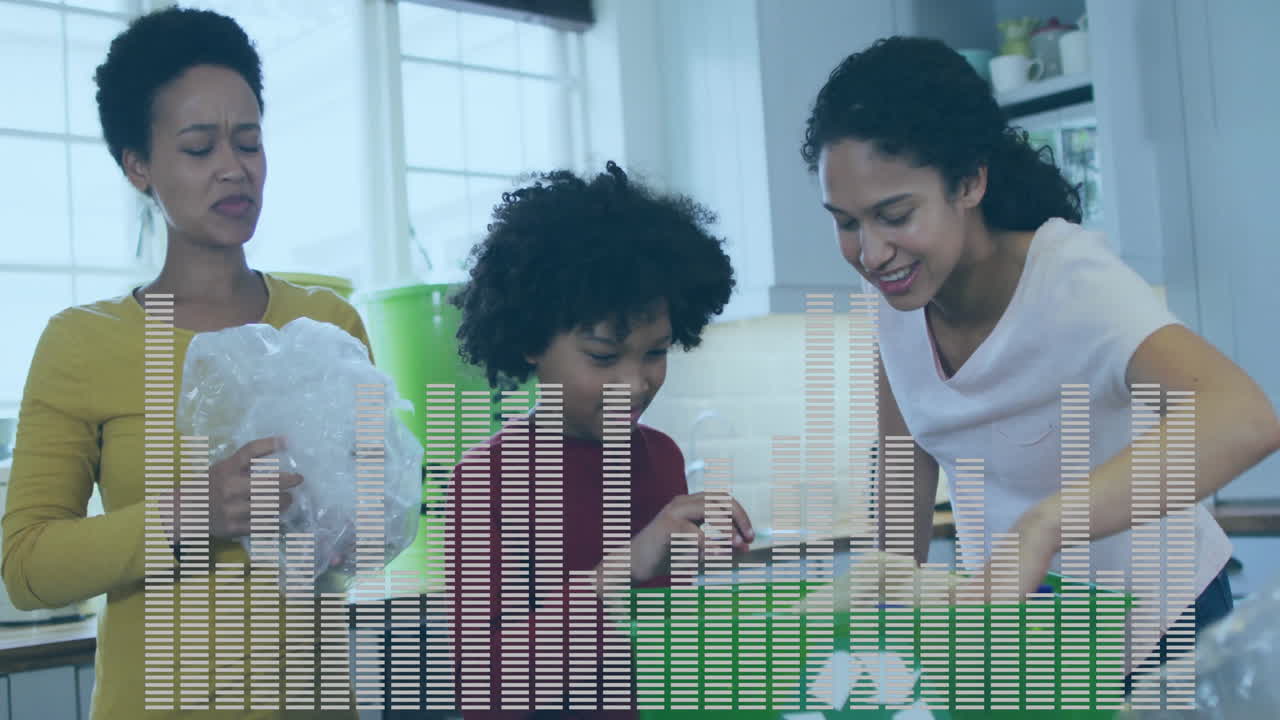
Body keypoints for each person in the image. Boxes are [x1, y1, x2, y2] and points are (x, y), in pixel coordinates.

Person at [801, 36, 1280, 691]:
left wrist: (1044, 527)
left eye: (895, 215)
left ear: (969, 182)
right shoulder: (893, 292)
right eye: (845, 222)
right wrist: (882, 612)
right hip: (1028, 639)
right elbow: (905, 455)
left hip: (1159, 632)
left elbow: (1245, 418)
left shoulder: (1071, 279)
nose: (870, 252)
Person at [2, 8, 369, 719]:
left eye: (249, 141)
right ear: (138, 165)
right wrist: (189, 514)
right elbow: (26, 567)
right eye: (200, 148)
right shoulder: (81, 343)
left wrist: (362, 522)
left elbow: (357, 534)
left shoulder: (328, 326)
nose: (235, 168)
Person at [446, 161, 754, 718]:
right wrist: (624, 567)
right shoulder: (488, 480)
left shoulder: (661, 457)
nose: (636, 384)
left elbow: (657, 652)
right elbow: (488, 688)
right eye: (604, 357)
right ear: (531, 342)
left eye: (655, 353)